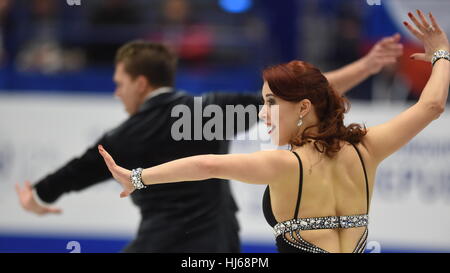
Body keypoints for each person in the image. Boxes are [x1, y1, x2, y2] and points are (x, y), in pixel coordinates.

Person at [98, 10, 449, 253]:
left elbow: (207, 166)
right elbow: (431, 106)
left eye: (270, 103)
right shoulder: (367, 149)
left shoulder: (286, 166)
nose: (263, 114)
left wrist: (138, 178)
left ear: (303, 108)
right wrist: (441, 55)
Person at [15, 34, 403, 253]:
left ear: (141, 83)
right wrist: (366, 67)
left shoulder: (124, 136)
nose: (116, 93)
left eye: (119, 84)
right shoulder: (210, 111)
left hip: (160, 245)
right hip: (221, 245)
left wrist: (38, 195)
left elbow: (77, 170)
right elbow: (308, 96)